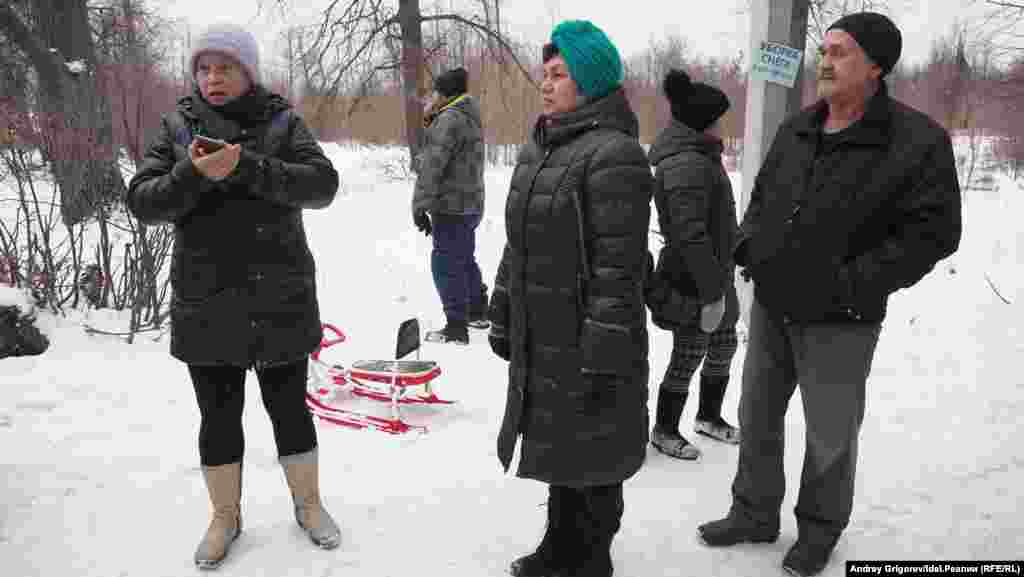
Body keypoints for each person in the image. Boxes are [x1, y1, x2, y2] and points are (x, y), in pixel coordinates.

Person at [696, 12, 962, 577]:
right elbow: (764, 195)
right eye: (824, 50)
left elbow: (934, 234)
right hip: (773, 302)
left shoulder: (916, 141)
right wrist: (748, 247)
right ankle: (753, 511)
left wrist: (853, 281)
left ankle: (819, 530)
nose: (824, 61)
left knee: (831, 431)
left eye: (840, 51)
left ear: (875, 67)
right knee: (757, 414)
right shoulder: (800, 127)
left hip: (842, 315)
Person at [125, 23, 342, 569]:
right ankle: (225, 516)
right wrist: (192, 174)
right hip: (207, 299)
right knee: (218, 418)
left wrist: (247, 167)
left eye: (225, 67)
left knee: (290, 411)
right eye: (204, 68)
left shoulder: (281, 120)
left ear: (247, 72)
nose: (213, 78)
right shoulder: (176, 126)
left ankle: (308, 504)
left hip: (282, 296)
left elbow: (323, 184)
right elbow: (143, 200)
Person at [487, 20, 652, 577]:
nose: (546, 83)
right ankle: (558, 547)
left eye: (559, 74)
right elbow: (518, 241)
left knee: (597, 453)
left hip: (590, 335)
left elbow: (619, 266)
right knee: (559, 445)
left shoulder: (615, 154)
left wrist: (604, 346)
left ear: (589, 81)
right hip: (546, 332)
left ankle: (590, 559)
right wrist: (504, 305)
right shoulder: (542, 147)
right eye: (545, 73)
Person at [647, 69, 741, 461]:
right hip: (693, 276)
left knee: (724, 343)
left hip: (713, 271)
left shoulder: (700, 155)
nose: (722, 124)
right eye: (718, 118)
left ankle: (708, 416)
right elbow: (689, 234)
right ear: (703, 120)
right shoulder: (686, 163)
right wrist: (711, 292)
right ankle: (665, 430)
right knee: (690, 351)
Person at [412, 67, 489, 344]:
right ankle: (478, 310)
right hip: (471, 203)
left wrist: (420, 206)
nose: (431, 97)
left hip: (451, 205)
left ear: (444, 94)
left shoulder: (448, 120)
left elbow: (433, 167)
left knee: (445, 262)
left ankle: (456, 326)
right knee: (464, 258)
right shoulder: (470, 116)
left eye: (434, 92)